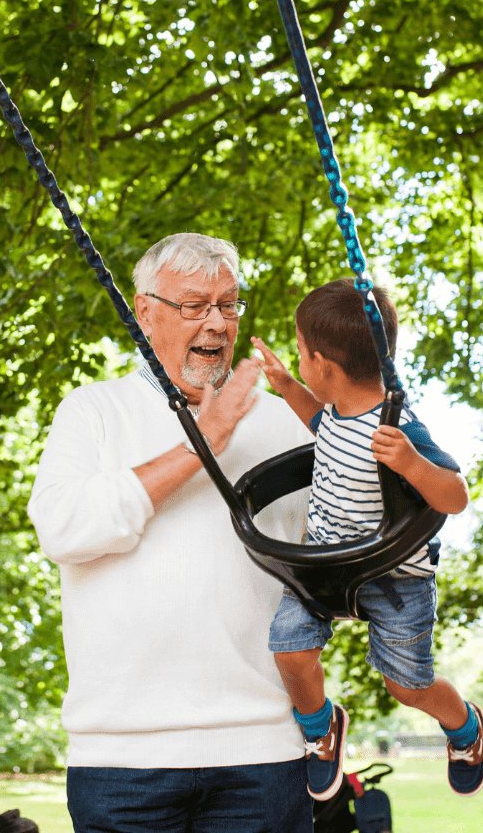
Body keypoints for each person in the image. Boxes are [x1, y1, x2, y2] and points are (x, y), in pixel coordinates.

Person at [29, 233, 316, 833]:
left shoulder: (285, 423)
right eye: (194, 306)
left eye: (228, 304)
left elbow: (330, 559)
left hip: (262, 752)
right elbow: (62, 529)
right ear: (145, 311)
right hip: (121, 761)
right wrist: (201, 443)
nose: (216, 323)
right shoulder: (93, 410)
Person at [254, 279, 483, 802]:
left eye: (299, 353)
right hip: (325, 567)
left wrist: (410, 461)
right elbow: (319, 419)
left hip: (395, 577)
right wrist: (287, 382)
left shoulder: (398, 425)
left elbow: (455, 496)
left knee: (407, 687)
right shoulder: (336, 413)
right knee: (290, 651)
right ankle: (321, 727)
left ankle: (465, 727)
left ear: (326, 366)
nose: (298, 360)